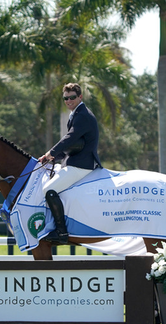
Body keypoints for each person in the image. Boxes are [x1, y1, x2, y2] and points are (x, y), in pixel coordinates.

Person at [38, 83, 102, 244]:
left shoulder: (83, 115)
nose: (68, 101)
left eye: (72, 97)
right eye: (66, 98)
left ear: (80, 97)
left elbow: (70, 139)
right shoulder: (76, 114)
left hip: (82, 164)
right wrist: (50, 158)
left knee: (49, 189)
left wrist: (50, 153)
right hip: (75, 161)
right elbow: (74, 145)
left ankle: (61, 233)